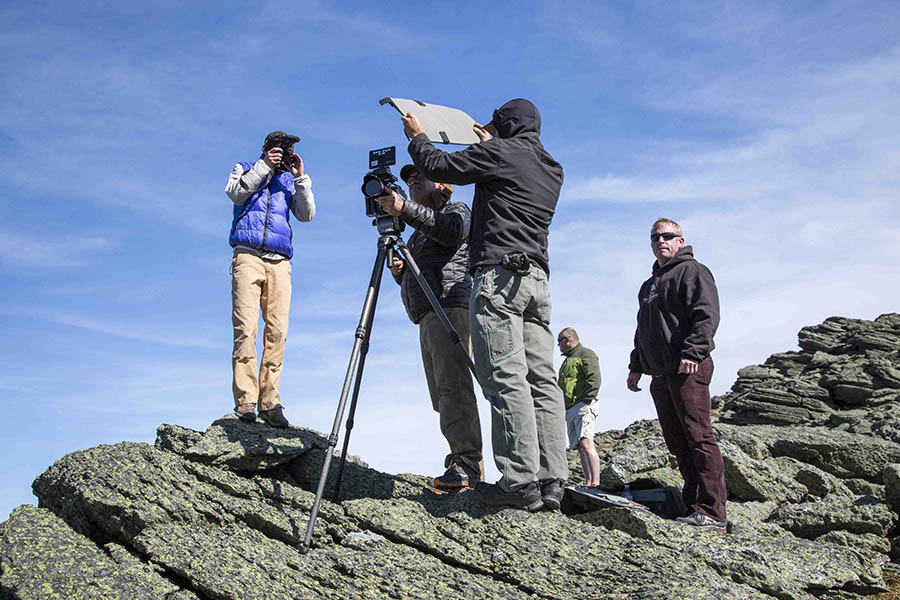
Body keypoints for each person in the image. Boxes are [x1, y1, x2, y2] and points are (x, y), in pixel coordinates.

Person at [400, 98, 568, 511]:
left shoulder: (502, 152)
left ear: (506, 127)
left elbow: (441, 166)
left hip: (500, 279)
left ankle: (518, 482)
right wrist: (494, 141)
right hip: (537, 280)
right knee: (541, 380)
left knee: (505, 377)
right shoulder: (550, 166)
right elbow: (505, 165)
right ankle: (552, 481)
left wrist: (417, 136)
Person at [374, 165, 483, 490]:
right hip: (427, 313)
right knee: (442, 394)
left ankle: (467, 463)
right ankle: (460, 459)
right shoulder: (417, 232)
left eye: (418, 176)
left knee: (454, 387)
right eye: (408, 179)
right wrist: (401, 272)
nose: (412, 181)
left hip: (449, 307)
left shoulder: (455, 210)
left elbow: (451, 232)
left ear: (441, 183)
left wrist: (402, 208)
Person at [627, 218, 727, 531]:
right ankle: (693, 506)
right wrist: (635, 366)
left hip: (688, 367)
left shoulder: (693, 271)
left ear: (680, 240)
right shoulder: (649, 286)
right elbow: (643, 329)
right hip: (660, 373)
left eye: (668, 236)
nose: (661, 241)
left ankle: (713, 512)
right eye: (655, 237)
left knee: (698, 435)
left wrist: (692, 353)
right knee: (677, 441)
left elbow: (706, 314)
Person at [224, 131, 315, 428]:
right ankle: (246, 399)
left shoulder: (289, 180)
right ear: (266, 149)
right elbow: (236, 193)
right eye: (278, 149)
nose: (282, 155)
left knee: (277, 332)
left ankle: (270, 401)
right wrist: (264, 166)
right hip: (247, 256)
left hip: (279, 262)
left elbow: (306, 214)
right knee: (246, 328)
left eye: (286, 150)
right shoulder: (245, 168)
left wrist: (300, 178)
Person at [557, 328, 602, 486]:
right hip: (570, 409)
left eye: (559, 341)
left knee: (586, 442)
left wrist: (587, 399)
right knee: (579, 446)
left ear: (568, 339)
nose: (558, 346)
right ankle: (589, 481)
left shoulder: (586, 354)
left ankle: (595, 482)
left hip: (583, 405)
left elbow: (594, 377)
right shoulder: (568, 360)